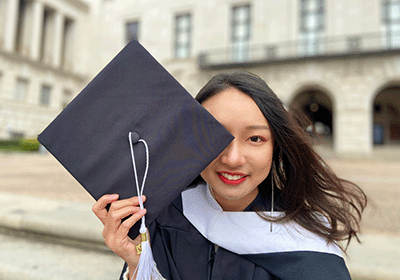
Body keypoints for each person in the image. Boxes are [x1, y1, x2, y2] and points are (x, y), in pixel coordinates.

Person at [92, 71, 367, 280]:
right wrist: (137, 266)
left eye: (256, 138)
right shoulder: (165, 219)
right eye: (215, 136)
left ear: (277, 147)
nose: (232, 159)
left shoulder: (308, 247)